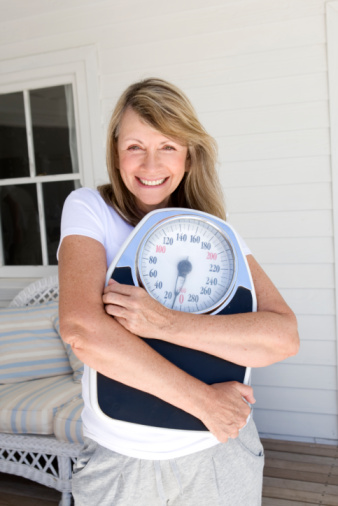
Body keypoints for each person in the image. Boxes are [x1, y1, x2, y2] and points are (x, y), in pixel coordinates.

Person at [58, 78, 299, 506]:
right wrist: (203, 401)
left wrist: (163, 322)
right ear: (116, 151)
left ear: (189, 156)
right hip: (123, 465)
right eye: (135, 146)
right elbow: (82, 330)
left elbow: (281, 338)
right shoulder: (90, 209)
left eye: (168, 145)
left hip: (220, 458)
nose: (150, 164)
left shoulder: (216, 236)